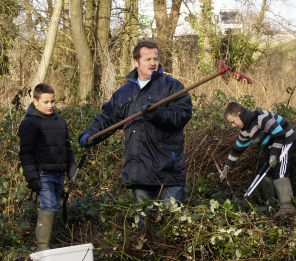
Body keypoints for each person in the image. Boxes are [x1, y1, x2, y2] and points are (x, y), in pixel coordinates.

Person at [78, 39, 192, 206]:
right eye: (147, 59)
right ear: (136, 61)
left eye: (156, 59)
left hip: (168, 171)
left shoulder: (172, 87)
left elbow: (181, 116)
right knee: (143, 226)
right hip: (139, 171)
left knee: (173, 226)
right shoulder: (124, 93)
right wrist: (90, 135)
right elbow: (108, 118)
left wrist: (156, 113)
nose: (153, 63)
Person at [18, 83, 77, 252]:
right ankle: (42, 247)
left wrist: (71, 168)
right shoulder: (29, 124)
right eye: (46, 102)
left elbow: (67, 148)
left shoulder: (60, 122)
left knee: (53, 206)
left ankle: (49, 242)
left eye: (53, 101)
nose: (50, 105)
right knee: (48, 205)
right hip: (42, 173)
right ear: (35, 102)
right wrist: (32, 177)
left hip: (58, 173)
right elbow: (26, 153)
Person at [218, 101, 296, 217]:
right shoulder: (245, 130)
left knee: (280, 170)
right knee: (262, 173)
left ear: (239, 114)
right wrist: (227, 166)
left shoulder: (260, 118)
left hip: (286, 140)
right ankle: (270, 204)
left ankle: (287, 206)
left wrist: (274, 155)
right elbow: (238, 149)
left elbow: (280, 134)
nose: (233, 125)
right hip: (273, 145)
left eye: (233, 122)